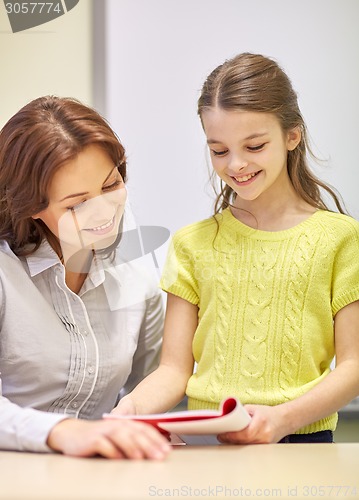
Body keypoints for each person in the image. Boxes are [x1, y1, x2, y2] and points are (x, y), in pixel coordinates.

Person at [114, 53, 359, 444]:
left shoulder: (340, 239)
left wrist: (281, 419)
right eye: (219, 150)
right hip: (206, 442)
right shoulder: (192, 243)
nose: (236, 165)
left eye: (255, 145)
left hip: (299, 442)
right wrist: (129, 411)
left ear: (292, 136)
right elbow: (174, 371)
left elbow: (354, 367)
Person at [0, 96, 170, 459]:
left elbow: (150, 392)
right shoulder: (5, 276)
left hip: (100, 478)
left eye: (111, 186)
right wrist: (61, 432)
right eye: (77, 203)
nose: (104, 211)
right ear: (31, 206)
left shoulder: (138, 281)